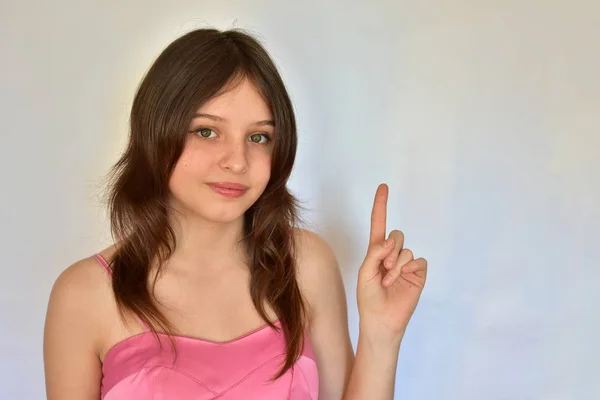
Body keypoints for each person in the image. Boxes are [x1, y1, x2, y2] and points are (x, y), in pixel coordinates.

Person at [43, 28, 427, 400]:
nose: (237, 161)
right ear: (155, 132)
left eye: (258, 137)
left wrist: (380, 337)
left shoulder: (307, 264)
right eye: (207, 131)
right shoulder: (84, 295)